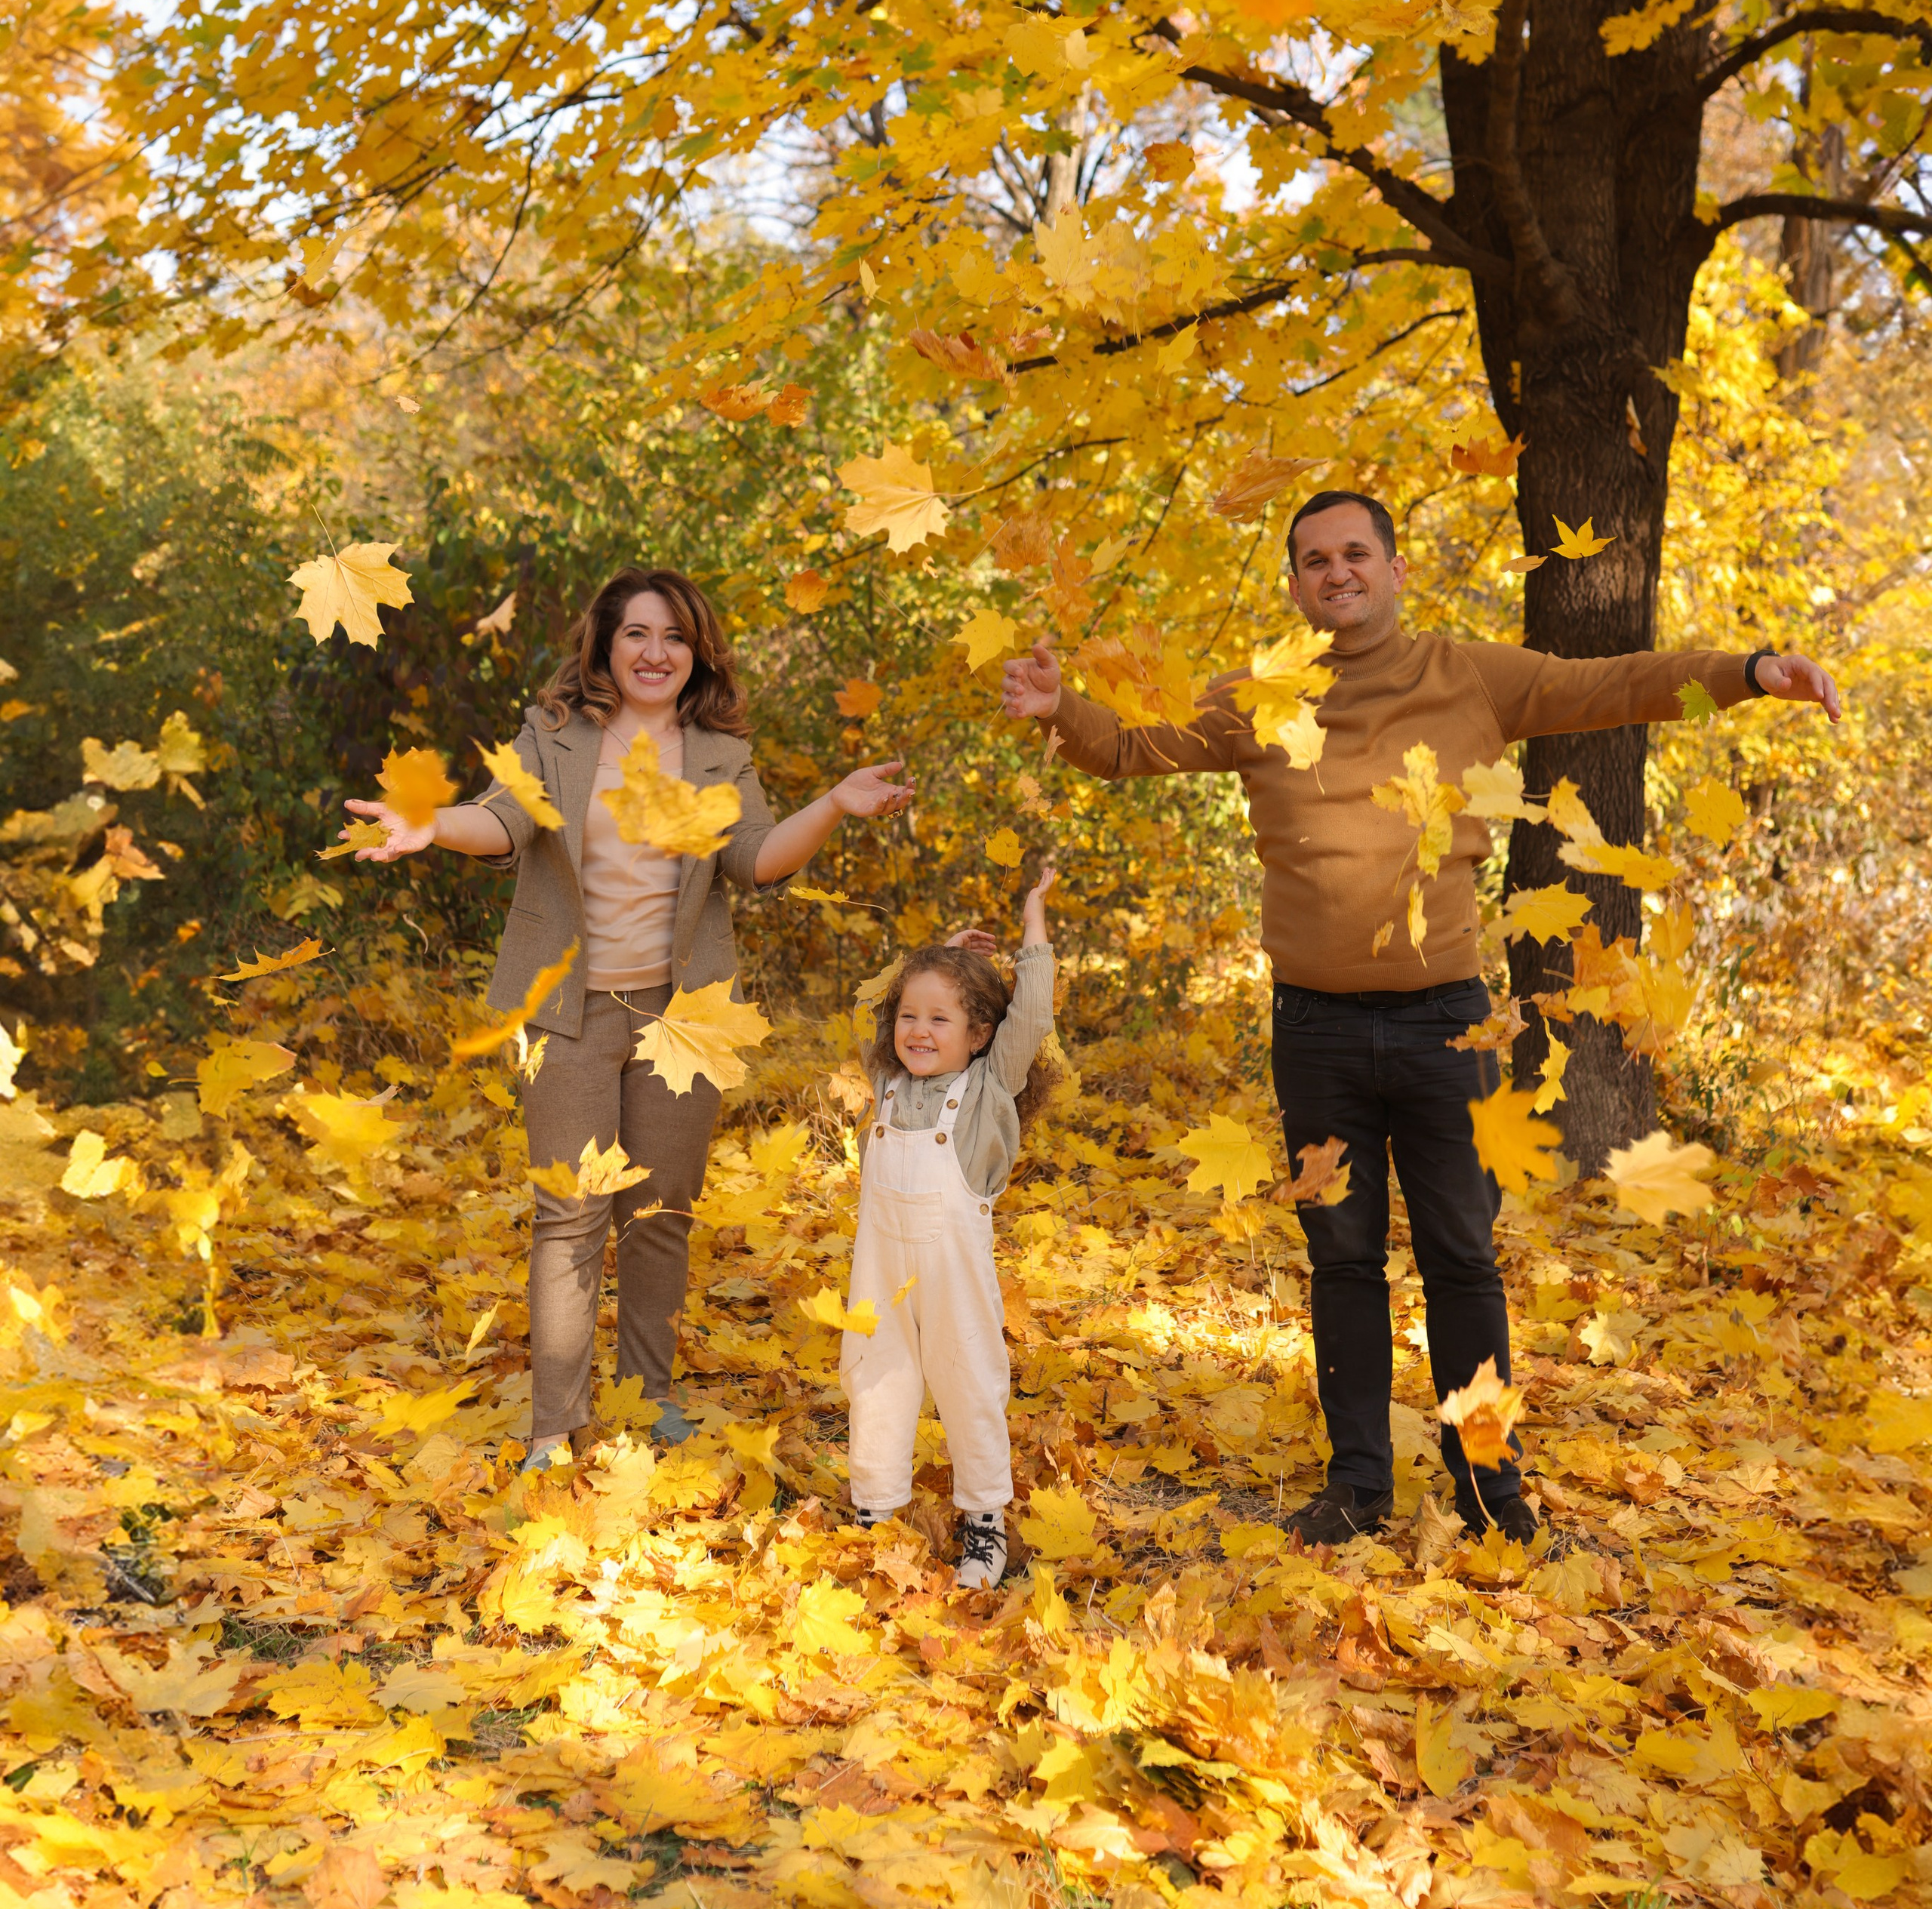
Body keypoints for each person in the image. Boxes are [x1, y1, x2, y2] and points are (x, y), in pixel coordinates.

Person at [1001, 491, 1842, 1550]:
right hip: (1313, 1032)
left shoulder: (1467, 676)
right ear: (1296, 584)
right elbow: (1130, 749)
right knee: (1342, 1258)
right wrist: (1061, 708)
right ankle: (1358, 1486)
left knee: (1461, 1257)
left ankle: (1491, 1482)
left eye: (1356, 552)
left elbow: (1611, 684)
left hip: (1447, 1025)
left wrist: (1752, 669)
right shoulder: (1262, 695)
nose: (1336, 571)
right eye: (1314, 559)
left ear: (1395, 570)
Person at [343, 566, 912, 1471]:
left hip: (682, 1018)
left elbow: (757, 862)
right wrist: (428, 825)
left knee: (659, 1212)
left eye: (675, 637)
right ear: (605, 645)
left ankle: (647, 1398)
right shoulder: (557, 737)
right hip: (564, 1011)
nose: (657, 652)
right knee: (569, 1212)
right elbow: (502, 822)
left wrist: (834, 805)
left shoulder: (719, 753)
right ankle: (553, 1427)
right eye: (638, 634)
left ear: (698, 654)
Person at [843, 865, 1058, 1590]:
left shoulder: (988, 1091)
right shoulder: (888, 1082)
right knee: (874, 1376)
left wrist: (1033, 929)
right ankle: (876, 1509)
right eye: (911, 1015)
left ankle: (985, 1521)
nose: (919, 1031)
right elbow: (873, 1010)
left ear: (980, 1034)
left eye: (941, 1019)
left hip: (955, 1282)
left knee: (969, 1385)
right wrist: (936, 959)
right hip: (883, 1276)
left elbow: (1031, 1015)